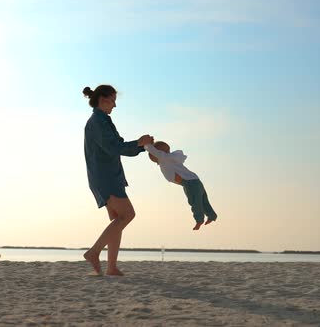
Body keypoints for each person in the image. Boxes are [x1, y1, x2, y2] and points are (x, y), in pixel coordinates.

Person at [82, 84, 154, 276]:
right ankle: (94, 252)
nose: (114, 105)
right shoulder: (97, 122)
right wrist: (139, 143)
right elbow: (114, 148)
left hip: (107, 176)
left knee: (117, 220)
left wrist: (142, 147)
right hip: (106, 177)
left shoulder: (103, 120)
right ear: (103, 100)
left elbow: (120, 146)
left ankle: (111, 267)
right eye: (113, 100)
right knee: (127, 215)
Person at [144, 141, 218, 230]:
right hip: (194, 180)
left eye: (151, 155)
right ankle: (212, 215)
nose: (151, 156)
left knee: (195, 201)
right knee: (203, 200)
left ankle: (199, 220)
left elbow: (154, 151)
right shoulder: (169, 159)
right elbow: (155, 152)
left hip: (189, 183)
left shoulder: (164, 158)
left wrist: (146, 144)